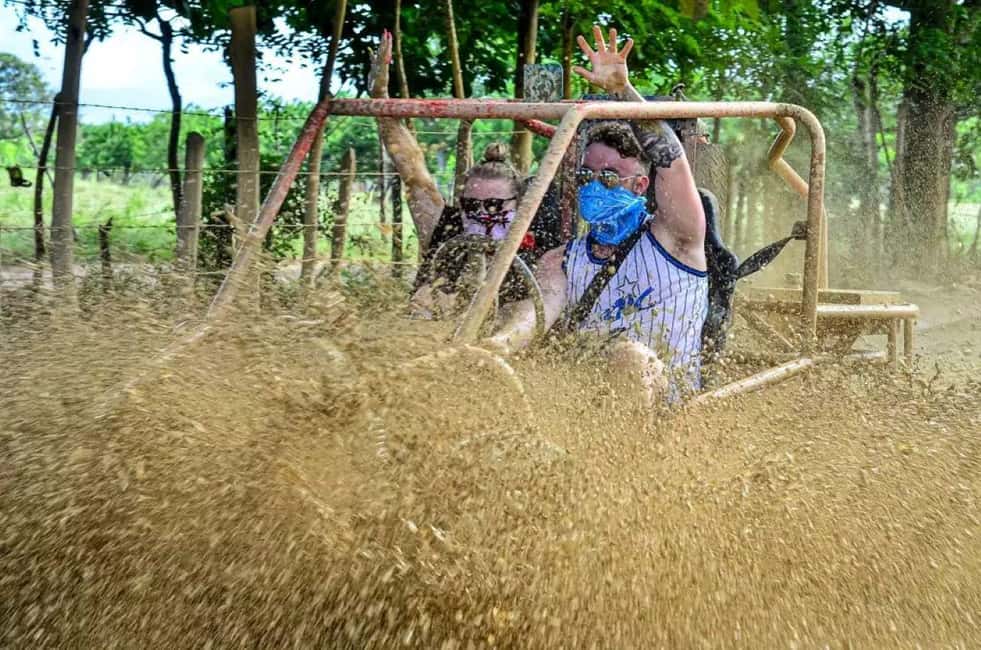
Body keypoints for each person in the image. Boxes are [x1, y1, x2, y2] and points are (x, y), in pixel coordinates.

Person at [486, 26, 708, 405]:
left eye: (608, 177)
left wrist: (622, 93)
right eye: (586, 176)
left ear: (640, 186)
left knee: (629, 356)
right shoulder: (561, 260)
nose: (593, 186)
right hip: (592, 405)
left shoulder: (676, 238)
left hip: (671, 404)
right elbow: (537, 313)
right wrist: (497, 347)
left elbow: (672, 159)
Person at [368, 31, 560, 316]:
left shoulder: (539, 241)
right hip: (430, 347)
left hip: (502, 344)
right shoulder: (445, 226)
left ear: (518, 205)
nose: (482, 214)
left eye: (495, 205)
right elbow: (411, 168)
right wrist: (380, 97)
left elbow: (572, 164)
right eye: (471, 205)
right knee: (425, 301)